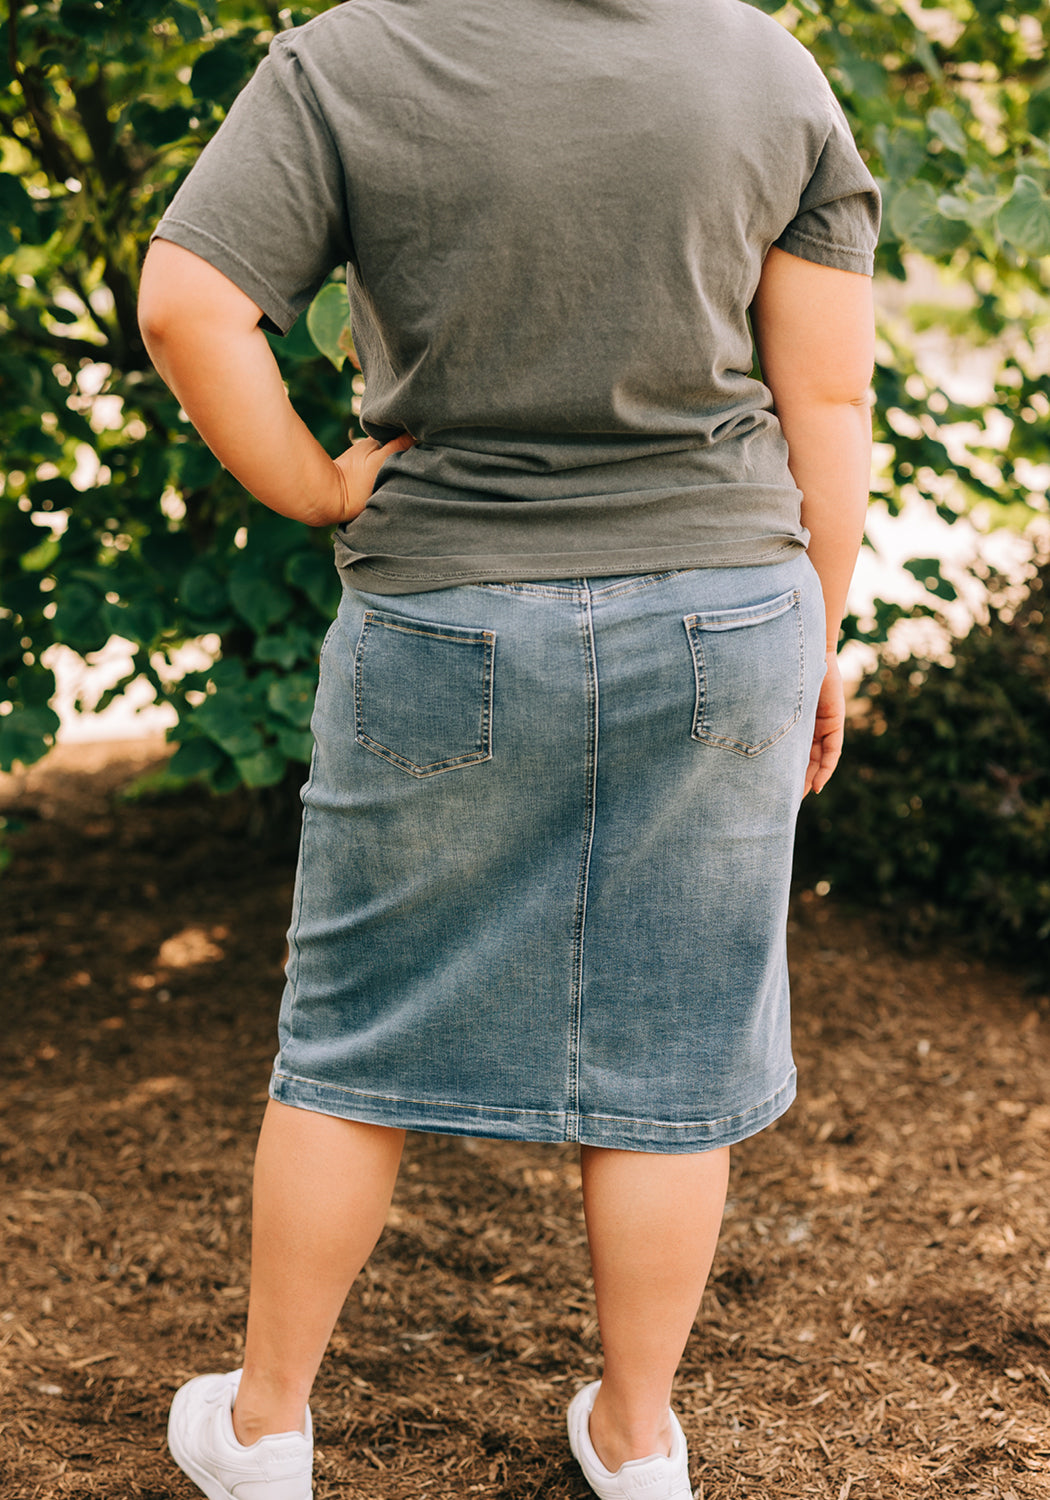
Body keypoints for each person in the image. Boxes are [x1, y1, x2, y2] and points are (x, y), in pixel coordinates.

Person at [138, 1, 879, 1496]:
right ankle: (634, 1442)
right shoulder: (761, 65)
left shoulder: (352, 59)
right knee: (673, 1056)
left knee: (352, 1047)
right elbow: (828, 395)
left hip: (448, 616)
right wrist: (817, 629)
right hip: (722, 608)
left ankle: (267, 1433)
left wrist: (311, 486)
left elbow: (182, 306)